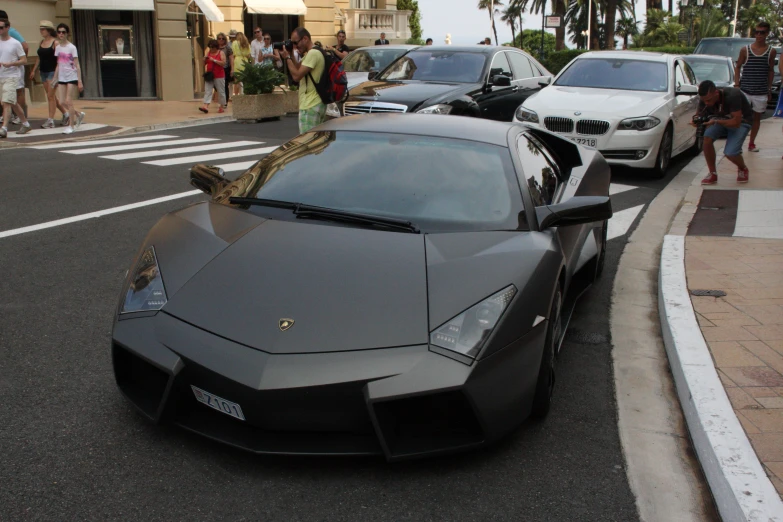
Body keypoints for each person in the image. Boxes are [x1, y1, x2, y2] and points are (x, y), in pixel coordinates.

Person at [694, 80, 753, 185]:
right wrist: (697, 121)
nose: (707, 103)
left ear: (716, 93)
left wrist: (716, 121)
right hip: (719, 120)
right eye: (704, 101)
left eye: (709, 100)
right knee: (706, 138)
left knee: (730, 153)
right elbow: (699, 115)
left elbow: (736, 122)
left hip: (741, 122)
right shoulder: (704, 99)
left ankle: (742, 168)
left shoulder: (732, 95)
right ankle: (712, 173)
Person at [734, 21, 776, 152]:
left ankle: (751, 143)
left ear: (767, 34)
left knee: (756, 118)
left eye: (762, 32)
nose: (758, 35)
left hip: (761, 90)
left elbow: (770, 70)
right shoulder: (745, 50)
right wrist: (737, 84)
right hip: (745, 89)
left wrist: (769, 88)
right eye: (756, 32)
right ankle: (737, 144)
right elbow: (738, 66)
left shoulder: (771, 51)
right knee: (741, 117)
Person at [279, 27, 325, 134]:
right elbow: (298, 68)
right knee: (315, 143)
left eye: (296, 42)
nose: (295, 46)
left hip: (311, 104)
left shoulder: (313, 53)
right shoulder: (313, 53)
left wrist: (287, 58)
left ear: (305, 39)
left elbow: (296, 76)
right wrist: (290, 55)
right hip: (315, 103)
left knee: (307, 143)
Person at [29, 20, 67, 129]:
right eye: (41, 29)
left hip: (52, 72)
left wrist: (56, 73)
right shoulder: (41, 42)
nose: (41, 31)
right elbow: (39, 57)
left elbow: (60, 60)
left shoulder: (55, 43)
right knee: (51, 96)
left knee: (50, 96)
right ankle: (66, 114)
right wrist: (33, 70)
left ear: (49, 31)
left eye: (43, 29)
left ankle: (50, 120)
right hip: (43, 72)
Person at [0, 17, 31, 137]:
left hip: (12, 76)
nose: (0, 30)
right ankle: (26, 124)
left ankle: (4, 128)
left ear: (7, 28)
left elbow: (24, 60)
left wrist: (11, 63)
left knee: (6, 102)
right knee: (12, 102)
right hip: (1, 76)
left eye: (1, 27)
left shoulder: (15, 43)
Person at [53, 23, 84, 135]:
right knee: (61, 101)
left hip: (71, 75)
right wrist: (55, 78)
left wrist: (79, 80)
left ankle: (71, 125)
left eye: (63, 32)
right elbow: (58, 64)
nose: (61, 34)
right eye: (59, 32)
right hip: (62, 76)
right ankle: (78, 114)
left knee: (68, 101)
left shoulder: (72, 47)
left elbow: (77, 64)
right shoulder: (58, 48)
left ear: (67, 33)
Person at [199, 39, 226, 114]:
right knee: (208, 90)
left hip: (219, 75)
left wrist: (214, 60)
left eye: (213, 48)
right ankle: (205, 106)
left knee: (221, 91)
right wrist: (204, 60)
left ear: (216, 47)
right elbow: (204, 64)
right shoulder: (208, 53)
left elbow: (223, 63)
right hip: (210, 74)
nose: (211, 49)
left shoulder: (221, 53)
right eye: (210, 47)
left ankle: (221, 106)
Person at [232, 31, 251, 96]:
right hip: (245, 61)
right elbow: (249, 55)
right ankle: (243, 93)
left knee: (237, 80)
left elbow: (233, 54)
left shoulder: (234, 43)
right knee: (244, 79)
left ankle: (236, 95)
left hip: (237, 60)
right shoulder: (247, 44)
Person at [217, 32, 233, 106]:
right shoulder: (215, 47)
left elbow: (231, 59)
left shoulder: (227, 48)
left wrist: (232, 69)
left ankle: (225, 102)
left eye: (222, 39)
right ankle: (221, 100)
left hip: (225, 68)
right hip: (217, 68)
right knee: (217, 86)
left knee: (225, 85)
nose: (221, 40)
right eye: (219, 38)